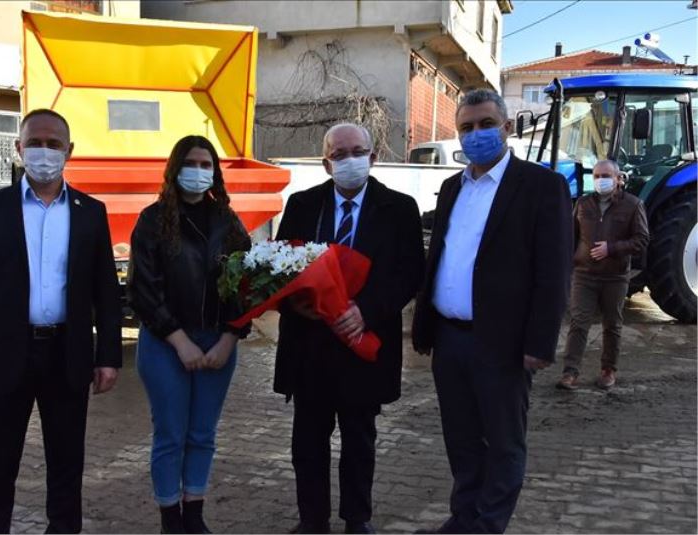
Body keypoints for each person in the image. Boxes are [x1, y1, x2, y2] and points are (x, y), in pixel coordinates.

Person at [0, 109, 122, 534]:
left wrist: (109, 356)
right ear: (18, 148)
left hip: (67, 354)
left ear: (69, 151)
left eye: (53, 144)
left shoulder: (90, 212)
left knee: (66, 466)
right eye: (35, 143)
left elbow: (106, 291)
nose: (44, 152)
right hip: (7, 354)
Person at [412, 89, 573, 534]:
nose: (476, 134)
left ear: (507, 127)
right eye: (466, 127)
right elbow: (441, 258)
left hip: (503, 341)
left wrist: (540, 343)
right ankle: (463, 515)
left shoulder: (542, 186)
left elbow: (554, 272)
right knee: (461, 439)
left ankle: (487, 525)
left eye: (485, 124)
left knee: (503, 442)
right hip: (450, 338)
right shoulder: (451, 187)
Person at [275, 123, 425, 534]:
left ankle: (357, 518)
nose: (349, 160)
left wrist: (367, 311)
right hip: (310, 345)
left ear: (373, 157)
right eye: (339, 155)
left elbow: (409, 272)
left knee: (359, 439)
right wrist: (299, 303)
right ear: (326, 163)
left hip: (363, 342)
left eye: (357, 151)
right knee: (308, 440)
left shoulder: (400, 208)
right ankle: (312, 519)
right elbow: (280, 268)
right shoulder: (303, 205)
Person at [127, 135, 252, 534]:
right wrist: (177, 338)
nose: (198, 172)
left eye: (206, 164)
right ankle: (170, 519)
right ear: (174, 168)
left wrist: (231, 336)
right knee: (171, 433)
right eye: (191, 163)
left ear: (214, 172)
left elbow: (246, 283)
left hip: (217, 342)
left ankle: (194, 513)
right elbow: (143, 289)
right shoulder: (153, 220)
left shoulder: (229, 222)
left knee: (202, 433)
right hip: (166, 344)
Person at [557, 159, 649, 390]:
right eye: (597, 176)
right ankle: (570, 372)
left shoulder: (633, 205)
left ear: (618, 179)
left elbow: (642, 240)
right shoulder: (583, 203)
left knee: (612, 324)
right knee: (578, 322)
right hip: (584, 274)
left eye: (606, 176)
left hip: (615, 276)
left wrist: (612, 248)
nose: (601, 181)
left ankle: (608, 371)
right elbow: (570, 237)